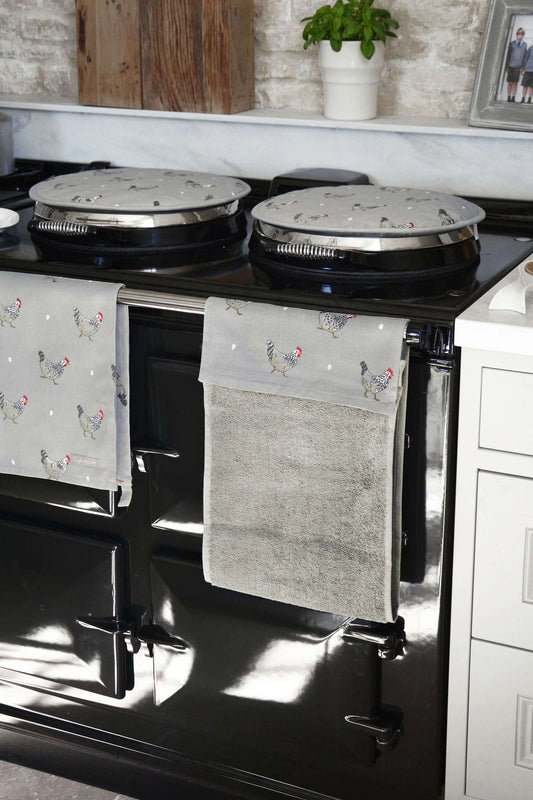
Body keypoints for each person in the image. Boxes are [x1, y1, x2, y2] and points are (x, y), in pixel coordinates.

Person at [506, 27, 527, 101]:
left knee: (515, 83)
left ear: (523, 35)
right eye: (518, 34)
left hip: (518, 67)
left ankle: (513, 97)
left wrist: (522, 67)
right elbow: (508, 55)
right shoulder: (512, 44)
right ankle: (508, 97)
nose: (520, 36)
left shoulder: (524, 45)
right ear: (516, 35)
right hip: (511, 66)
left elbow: (524, 57)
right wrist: (507, 66)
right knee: (510, 83)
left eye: (521, 35)